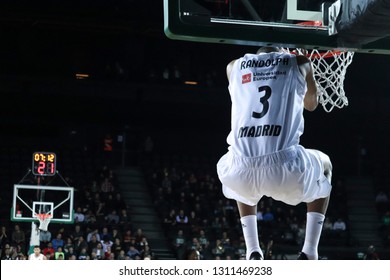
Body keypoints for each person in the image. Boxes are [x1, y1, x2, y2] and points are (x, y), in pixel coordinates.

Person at [216, 47, 332, 260]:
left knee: (239, 160)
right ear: (283, 50)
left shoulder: (233, 66)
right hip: (285, 169)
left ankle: (253, 250)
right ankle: (310, 251)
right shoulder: (299, 62)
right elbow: (312, 105)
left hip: (241, 172)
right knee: (325, 164)